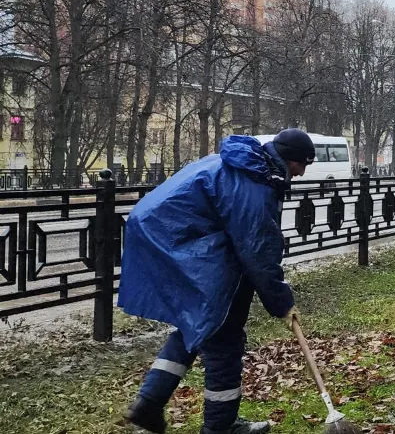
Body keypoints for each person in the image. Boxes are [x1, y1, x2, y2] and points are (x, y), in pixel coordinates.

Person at [120, 128, 317, 434]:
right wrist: (282, 302)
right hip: (183, 246)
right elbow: (257, 252)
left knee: (195, 324)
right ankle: (220, 427)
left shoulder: (246, 165)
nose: (302, 173)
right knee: (224, 341)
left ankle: (148, 403)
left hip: (171, 238)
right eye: (302, 165)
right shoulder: (253, 182)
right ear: (289, 159)